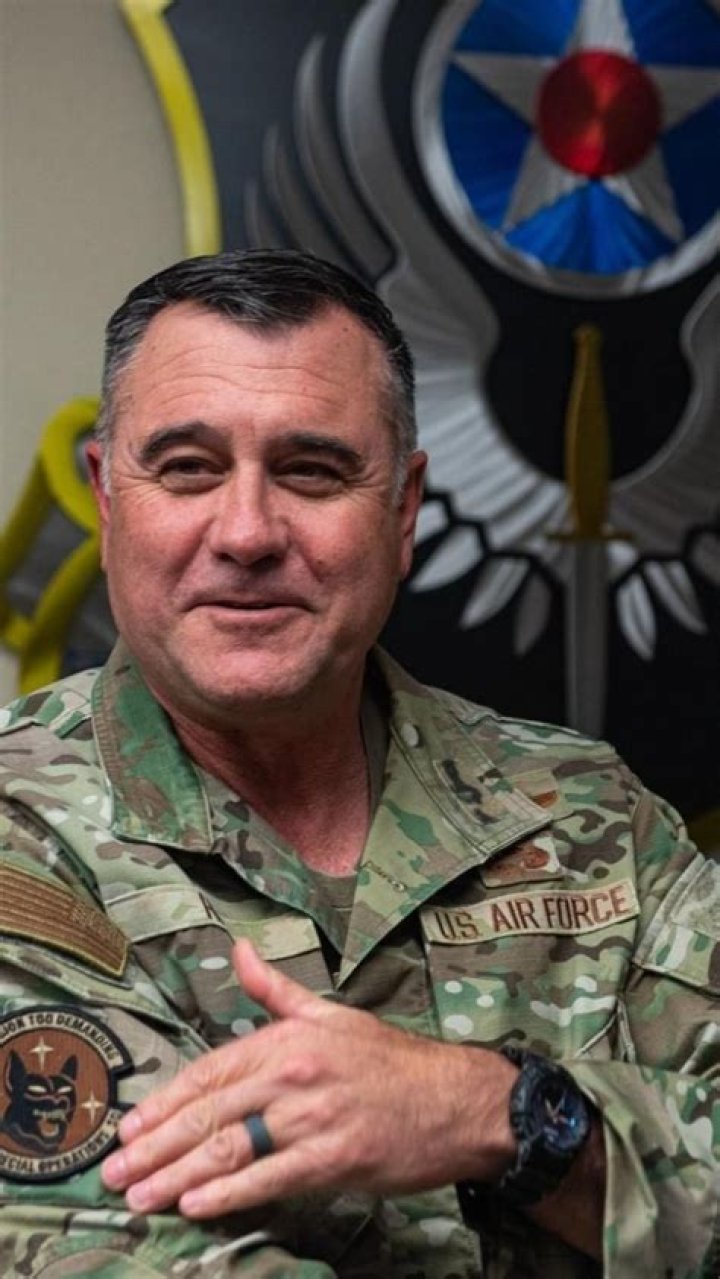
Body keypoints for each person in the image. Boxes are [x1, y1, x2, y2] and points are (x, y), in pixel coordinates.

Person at [0, 249, 716, 1279]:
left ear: (404, 509)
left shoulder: (587, 815)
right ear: (109, 498)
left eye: (312, 471)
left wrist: (505, 1114)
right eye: (189, 467)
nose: (247, 532)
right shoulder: (21, 833)